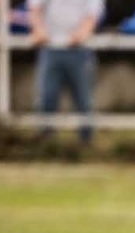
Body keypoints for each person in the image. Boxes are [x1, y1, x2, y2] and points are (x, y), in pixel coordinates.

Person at [29, 0, 103, 145]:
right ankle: (45, 142)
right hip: (50, 47)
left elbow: (93, 14)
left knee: (84, 100)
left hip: (80, 50)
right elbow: (35, 8)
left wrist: (82, 33)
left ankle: (86, 142)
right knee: (46, 97)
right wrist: (38, 29)